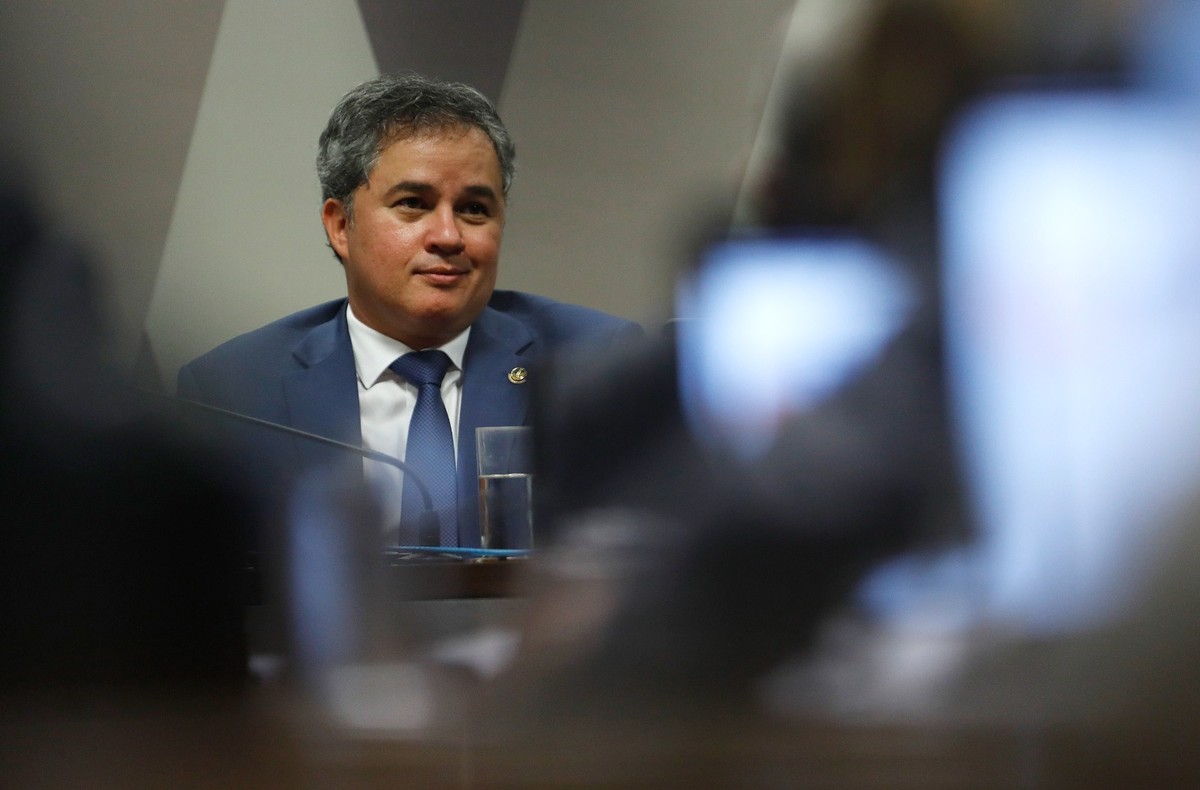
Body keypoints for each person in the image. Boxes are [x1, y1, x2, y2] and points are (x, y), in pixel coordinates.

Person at [178, 74, 642, 549]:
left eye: (474, 209)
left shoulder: (595, 364)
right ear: (341, 225)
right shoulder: (231, 394)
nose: (448, 236)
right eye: (413, 204)